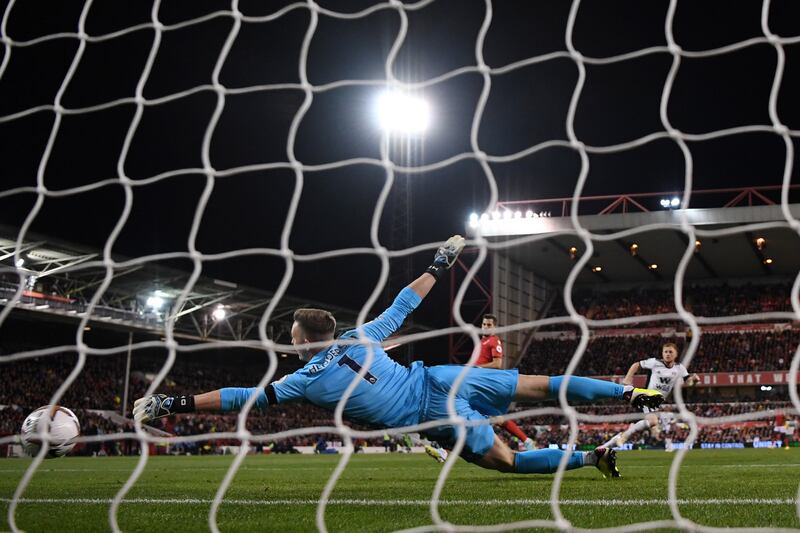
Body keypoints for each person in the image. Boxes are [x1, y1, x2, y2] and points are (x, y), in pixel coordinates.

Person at [134, 235, 664, 479]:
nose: (291, 340)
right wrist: (441, 260)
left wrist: (173, 402)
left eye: (292, 335)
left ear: (301, 342)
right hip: (439, 377)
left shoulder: (301, 382)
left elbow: (240, 400)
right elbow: (404, 301)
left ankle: (591, 458)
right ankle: (628, 392)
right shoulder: (362, 335)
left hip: (432, 416)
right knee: (540, 385)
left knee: (510, 462)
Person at [602, 342, 699, 451]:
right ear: (662, 353)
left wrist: (694, 381)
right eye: (665, 352)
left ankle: (620, 437)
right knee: (653, 422)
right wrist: (628, 379)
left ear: (676, 354)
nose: (667, 354)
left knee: (653, 424)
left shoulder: (680, 368)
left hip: (658, 401)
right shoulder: (654, 362)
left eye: (670, 352)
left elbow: (688, 383)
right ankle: (624, 436)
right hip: (647, 397)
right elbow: (636, 364)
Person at [476, 313, 536, 452]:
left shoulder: (494, 340)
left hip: (486, 385)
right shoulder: (481, 342)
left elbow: (498, 363)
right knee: (496, 418)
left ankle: (446, 449)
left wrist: (476, 368)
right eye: (484, 324)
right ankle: (526, 441)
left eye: (489, 325)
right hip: (478, 384)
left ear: (494, 327)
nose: (485, 327)